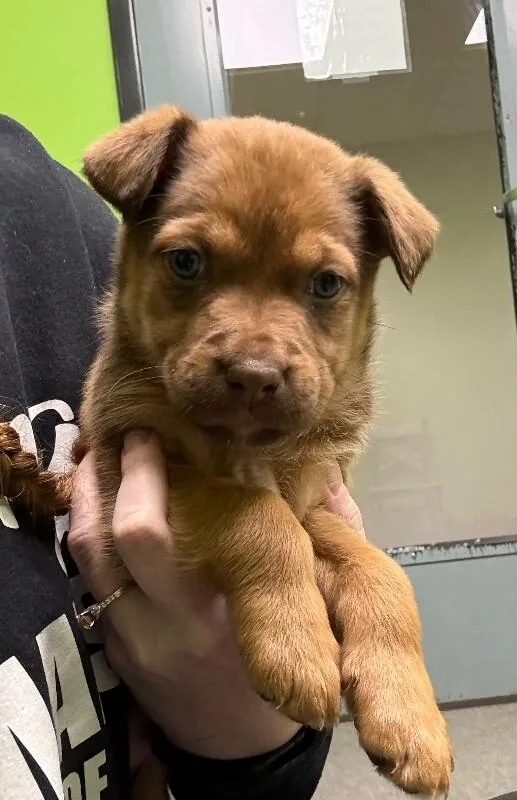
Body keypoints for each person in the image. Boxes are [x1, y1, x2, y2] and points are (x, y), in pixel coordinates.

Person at [0, 114, 363, 799]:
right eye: (191, 264)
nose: (255, 358)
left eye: (321, 286)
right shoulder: (128, 335)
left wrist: (258, 741)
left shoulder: (58, 217)